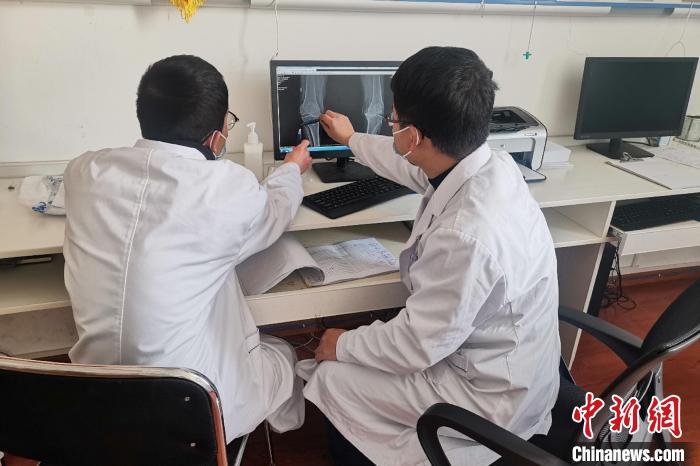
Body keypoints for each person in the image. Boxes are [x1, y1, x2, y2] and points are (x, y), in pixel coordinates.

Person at [298, 46, 561, 465]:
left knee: (332, 375)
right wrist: (351, 139)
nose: (392, 128)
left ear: (414, 136)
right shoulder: (491, 165)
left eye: (394, 121)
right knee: (363, 354)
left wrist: (341, 343)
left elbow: (414, 346)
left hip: (489, 396)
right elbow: (408, 166)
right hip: (513, 361)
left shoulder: (466, 235)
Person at [63, 55, 312, 443]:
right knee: (281, 354)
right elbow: (276, 211)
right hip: (190, 414)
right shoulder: (226, 188)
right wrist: (292, 168)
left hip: (94, 401)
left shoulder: (83, 171)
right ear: (216, 137)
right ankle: (278, 445)